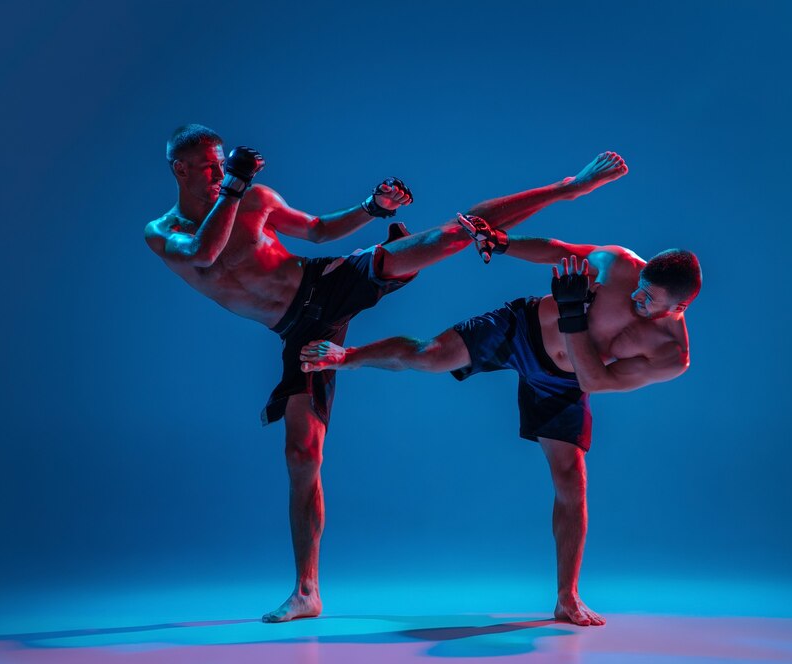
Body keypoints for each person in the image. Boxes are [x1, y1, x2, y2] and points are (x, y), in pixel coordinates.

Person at [144, 123, 630, 622]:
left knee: (454, 235)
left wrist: (372, 207)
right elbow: (204, 253)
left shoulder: (253, 197)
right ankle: (307, 591)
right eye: (209, 166)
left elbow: (315, 230)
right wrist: (234, 187)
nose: (220, 173)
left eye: (223, 163)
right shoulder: (165, 232)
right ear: (179, 169)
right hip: (296, 330)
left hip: (325, 284)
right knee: (301, 454)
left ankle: (570, 186)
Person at [300, 236, 702, 626]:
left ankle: (567, 597)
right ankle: (348, 356)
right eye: (641, 288)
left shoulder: (670, 355)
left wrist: (572, 314)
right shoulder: (621, 265)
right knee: (428, 355)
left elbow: (594, 381)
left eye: (649, 299)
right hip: (522, 328)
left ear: (680, 306)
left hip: (564, 382)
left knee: (571, 481)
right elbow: (560, 251)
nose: (637, 298)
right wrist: (504, 243)